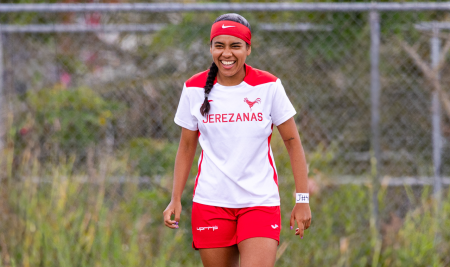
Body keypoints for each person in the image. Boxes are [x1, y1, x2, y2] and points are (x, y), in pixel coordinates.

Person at [163, 13, 311, 267]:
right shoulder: (194, 89)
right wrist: (175, 198)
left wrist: (302, 200)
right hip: (211, 204)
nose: (226, 53)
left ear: (248, 49)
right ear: (211, 48)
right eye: (219, 45)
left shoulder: (269, 86)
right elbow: (187, 146)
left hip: (259, 203)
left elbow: (292, 142)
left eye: (235, 46)